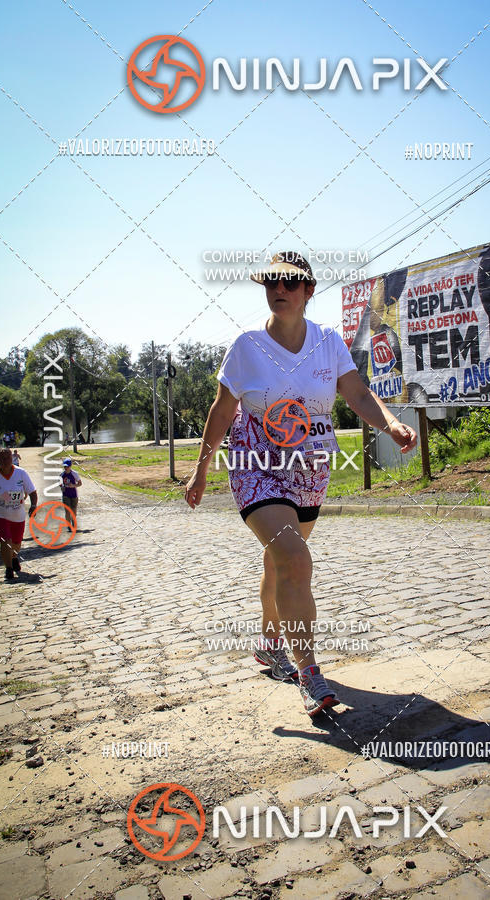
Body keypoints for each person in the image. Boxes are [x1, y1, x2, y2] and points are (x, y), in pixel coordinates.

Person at [184, 252, 417, 717]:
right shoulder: (246, 346)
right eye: (272, 283)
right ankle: (309, 672)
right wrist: (201, 467)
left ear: (309, 291)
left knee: (281, 564)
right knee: (294, 557)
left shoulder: (328, 343)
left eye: (290, 284)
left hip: (309, 471)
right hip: (255, 466)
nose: (279, 290)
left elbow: (356, 393)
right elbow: (222, 411)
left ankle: (270, 646)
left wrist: (389, 423)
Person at [0, 448, 37, 580]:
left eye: (8, 458)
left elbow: (32, 492)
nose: (6, 461)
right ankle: (8, 569)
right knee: (6, 539)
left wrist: (33, 505)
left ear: (12, 458)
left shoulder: (21, 473)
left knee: (16, 542)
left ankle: (14, 556)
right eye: (3, 459)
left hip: (17, 515)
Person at [60, 458, 82, 531]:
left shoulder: (74, 474)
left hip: (73, 494)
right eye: (64, 467)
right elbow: (60, 483)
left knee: (74, 510)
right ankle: (69, 526)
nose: (66, 468)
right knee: (67, 511)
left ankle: (74, 523)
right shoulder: (61, 475)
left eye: (67, 466)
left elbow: (80, 483)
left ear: (70, 466)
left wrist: (73, 485)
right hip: (65, 494)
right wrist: (62, 486)